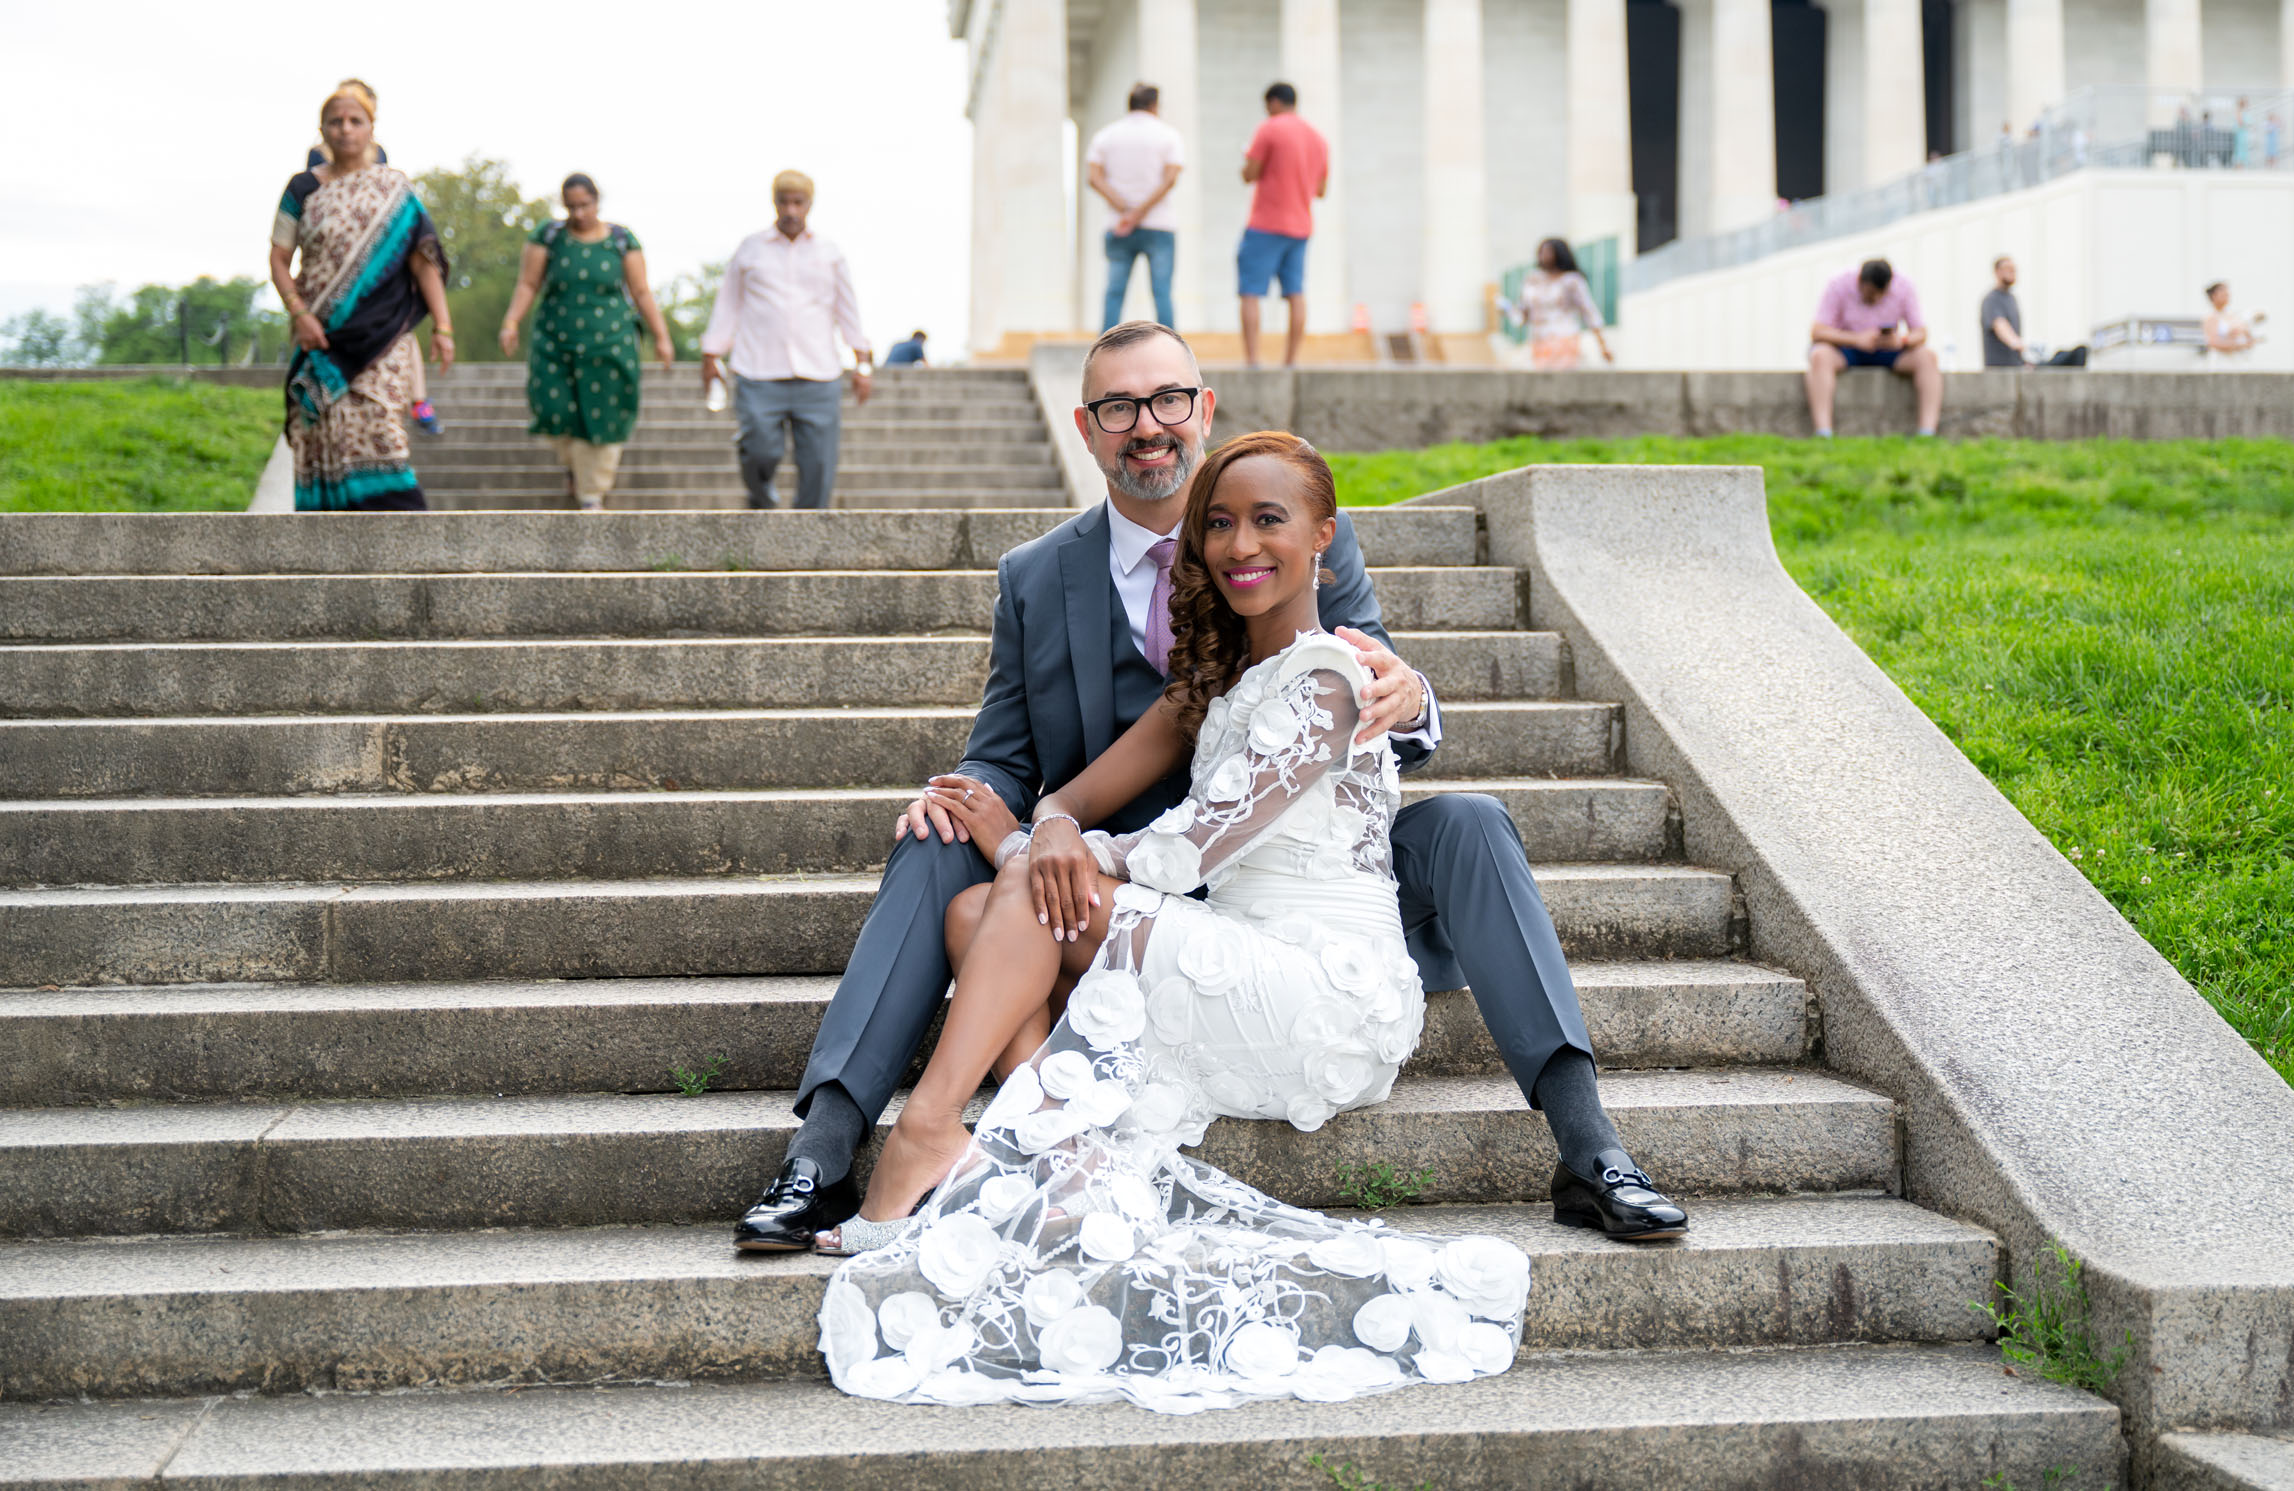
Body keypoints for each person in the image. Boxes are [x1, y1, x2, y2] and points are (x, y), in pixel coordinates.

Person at [736, 319, 1686, 1260]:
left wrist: (1410, 692)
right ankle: (831, 1147)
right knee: (946, 848)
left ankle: (1589, 1141)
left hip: (1281, 879)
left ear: (1204, 409)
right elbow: (1015, 755)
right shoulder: (1041, 578)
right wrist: (985, 804)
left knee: (1472, 824)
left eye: (1167, 400)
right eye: (1119, 406)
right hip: (1127, 876)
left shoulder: (1284, 531)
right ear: (1087, 425)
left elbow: (1354, 671)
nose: (1147, 424)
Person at [817, 429, 1540, 1411]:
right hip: (1244, 955)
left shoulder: (1333, 679)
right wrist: (1040, 829)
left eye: (1268, 519)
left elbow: (1184, 849)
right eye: (1220, 524)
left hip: (1322, 990)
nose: (1240, 542)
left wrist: (1020, 843)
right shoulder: (1227, 685)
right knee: (973, 910)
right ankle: (1067, 1175)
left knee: (1015, 888)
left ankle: (929, 1131)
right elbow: (1071, 804)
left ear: (1324, 536)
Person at [267, 79, 454, 511]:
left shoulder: (395, 190)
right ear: (323, 130)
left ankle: (402, 530)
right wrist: (299, 314)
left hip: (381, 337)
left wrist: (443, 327)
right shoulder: (301, 189)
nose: (345, 129)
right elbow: (279, 258)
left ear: (372, 127)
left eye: (356, 120)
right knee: (323, 432)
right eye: (335, 122)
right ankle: (328, 541)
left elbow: (423, 263)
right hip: (320, 334)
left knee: (380, 426)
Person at [497, 174, 673, 512]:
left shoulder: (621, 240)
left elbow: (640, 291)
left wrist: (661, 336)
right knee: (555, 408)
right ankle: (579, 469)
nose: (578, 213)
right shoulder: (549, 237)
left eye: (585, 205)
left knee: (604, 414)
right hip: (556, 338)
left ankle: (591, 492)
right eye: (571, 207)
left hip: (609, 341)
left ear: (597, 201)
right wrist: (511, 321)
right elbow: (528, 284)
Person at [701, 171, 873, 510]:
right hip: (758, 370)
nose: (791, 210)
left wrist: (862, 362)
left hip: (818, 372)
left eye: (799, 202)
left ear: (809, 204)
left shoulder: (830, 252)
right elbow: (729, 303)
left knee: (819, 464)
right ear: (774, 203)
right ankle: (762, 503)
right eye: (784, 201)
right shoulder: (751, 248)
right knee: (759, 449)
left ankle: (807, 531)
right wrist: (711, 354)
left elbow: (847, 308)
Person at [1237, 81, 1329, 367]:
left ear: (1274, 102)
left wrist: (1247, 159)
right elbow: (1321, 190)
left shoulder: (1269, 128)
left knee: (1250, 291)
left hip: (1266, 223)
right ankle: (1290, 360)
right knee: (1296, 293)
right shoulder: (1317, 138)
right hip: (1301, 226)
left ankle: (1253, 359)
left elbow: (1249, 174)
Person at [1086, 83, 1186, 331]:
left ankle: (1105, 349)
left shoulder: (1105, 135)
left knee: (1114, 292)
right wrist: (1140, 211)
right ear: (1154, 105)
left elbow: (1093, 177)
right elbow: (1170, 178)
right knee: (1162, 292)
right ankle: (1170, 350)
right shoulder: (1168, 135)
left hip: (1118, 225)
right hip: (1159, 225)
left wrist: (1124, 210)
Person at [1805, 258, 1943, 438]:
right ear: (1859, 282)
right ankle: (1823, 432)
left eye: (1880, 294)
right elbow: (1817, 332)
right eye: (1870, 294)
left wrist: (1901, 340)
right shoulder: (1838, 285)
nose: (1875, 299)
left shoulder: (1904, 287)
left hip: (1888, 350)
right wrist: (1856, 339)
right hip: (1848, 348)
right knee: (1819, 355)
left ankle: (1927, 433)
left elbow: (1921, 333)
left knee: (1928, 357)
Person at [1510, 238, 1612, 370]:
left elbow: (1589, 311)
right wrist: (1510, 311)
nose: (1544, 256)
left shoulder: (1571, 281)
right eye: (1541, 252)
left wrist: (1603, 345)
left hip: (1564, 338)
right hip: (1538, 339)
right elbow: (1523, 314)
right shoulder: (1532, 279)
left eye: (1548, 252)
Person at [1981, 255, 2030, 369]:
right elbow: (2000, 325)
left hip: (2016, 366)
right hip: (1999, 370)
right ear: (1997, 272)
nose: (2012, 272)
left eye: (2014, 269)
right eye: (2008, 269)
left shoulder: (2011, 299)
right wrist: (2019, 345)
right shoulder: (1992, 299)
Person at [2202, 280, 2262, 359]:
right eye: (2222, 293)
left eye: (2227, 293)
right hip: (2221, 359)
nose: (2226, 295)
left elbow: (2247, 335)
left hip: (2238, 358)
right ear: (2213, 296)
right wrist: (2236, 344)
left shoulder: (2234, 315)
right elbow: (2212, 342)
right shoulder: (2210, 318)